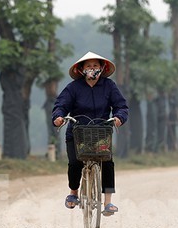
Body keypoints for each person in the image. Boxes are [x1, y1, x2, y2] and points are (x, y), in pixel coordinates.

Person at [52, 51, 128, 216]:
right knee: (75, 163)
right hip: (77, 132)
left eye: (95, 66)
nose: (92, 69)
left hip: (101, 133)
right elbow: (61, 105)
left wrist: (119, 117)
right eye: (88, 66)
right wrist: (58, 117)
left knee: (107, 162)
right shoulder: (73, 88)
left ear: (102, 68)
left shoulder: (109, 86)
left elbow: (121, 106)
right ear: (81, 69)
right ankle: (73, 193)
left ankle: (108, 202)